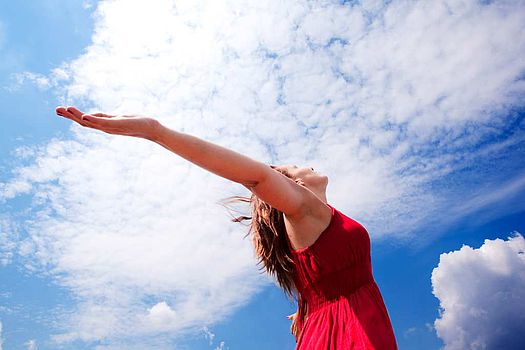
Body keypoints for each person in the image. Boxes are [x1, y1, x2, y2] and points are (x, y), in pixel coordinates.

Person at [55, 106, 398, 349]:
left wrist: (308, 311)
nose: (304, 166)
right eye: (294, 168)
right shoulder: (307, 210)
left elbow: (325, 282)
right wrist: (155, 131)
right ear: (293, 187)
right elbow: (257, 175)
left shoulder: (317, 222)